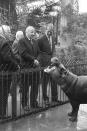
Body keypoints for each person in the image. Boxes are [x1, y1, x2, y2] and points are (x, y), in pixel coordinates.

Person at [0, 25, 19, 119]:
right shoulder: (4, 42)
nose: (10, 33)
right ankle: (2, 114)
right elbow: (7, 58)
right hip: (4, 72)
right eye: (9, 31)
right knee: (3, 94)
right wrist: (16, 66)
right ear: (4, 32)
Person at [18, 26, 40, 108]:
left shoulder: (35, 41)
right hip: (26, 68)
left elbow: (38, 52)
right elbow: (23, 53)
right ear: (26, 32)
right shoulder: (22, 41)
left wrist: (37, 59)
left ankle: (34, 103)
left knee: (35, 86)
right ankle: (24, 105)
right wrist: (33, 60)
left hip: (35, 68)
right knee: (25, 88)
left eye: (34, 32)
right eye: (31, 32)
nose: (33, 33)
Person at [38, 23, 59, 103]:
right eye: (49, 29)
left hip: (52, 63)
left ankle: (55, 98)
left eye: (52, 30)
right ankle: (45, 98)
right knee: (45, 81)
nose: (50, 31)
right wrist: (42, 60)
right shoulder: (40, 39)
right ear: (46, 29)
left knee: (54, 80)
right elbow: (38, 51)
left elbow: (53, 50)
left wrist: (54, 58)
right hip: (45, 63)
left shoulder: (53, 38)